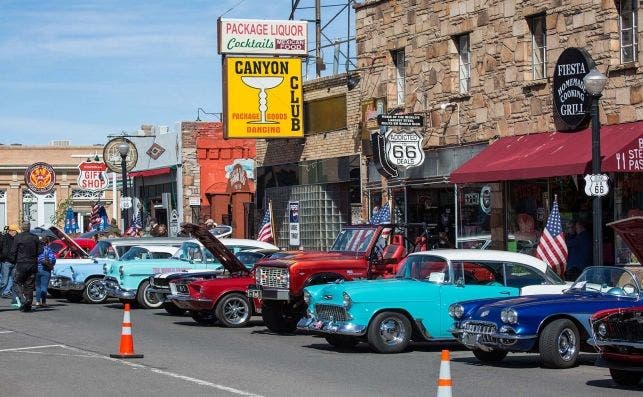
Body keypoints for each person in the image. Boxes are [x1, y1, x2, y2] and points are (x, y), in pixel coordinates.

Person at [9, 221, 42, 312]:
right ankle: (28, 304)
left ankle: (24, 300)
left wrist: (14, 260)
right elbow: (40, 251)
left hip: (22, 264)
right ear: (29, 227)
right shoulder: (35, 238)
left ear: (22, 228)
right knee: (30, 285)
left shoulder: (18, 237)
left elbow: (13, 251)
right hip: (32, 264)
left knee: (16, 282)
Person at [35, 236, 56, 307]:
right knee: (44, 286)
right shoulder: (49, 250)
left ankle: (37, 302)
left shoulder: (36, 249)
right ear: (48, 242)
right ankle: (43, 302)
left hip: (37, 269)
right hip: (46, 269)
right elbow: (53, 259)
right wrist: (51, 264)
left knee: (38, 286)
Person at [1, 224, 19, 299]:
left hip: (15, 262)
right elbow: (4, 250)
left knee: (13, 279)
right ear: (11, 231)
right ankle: (2, 291)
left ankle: (6, 292)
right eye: (15, 231)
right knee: (4, 281)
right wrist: (4, 257)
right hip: (6, 262)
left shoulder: (17, 238)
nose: (16, 233)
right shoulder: (4, 238)